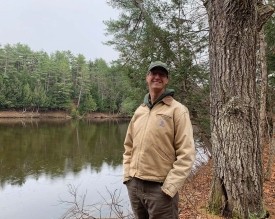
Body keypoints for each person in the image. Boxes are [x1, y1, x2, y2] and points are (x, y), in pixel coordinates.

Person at [123, 61, 196, 219]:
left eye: (161, 74)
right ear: (147, 78)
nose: (157, 77)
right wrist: (128, 177)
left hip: (160, 190)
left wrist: (169, 187)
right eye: (153, 73)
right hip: (135, 186)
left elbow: (187, 153)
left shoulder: (178, 110)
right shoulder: (140, 111)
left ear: (167, 80)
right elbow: (128, 146)